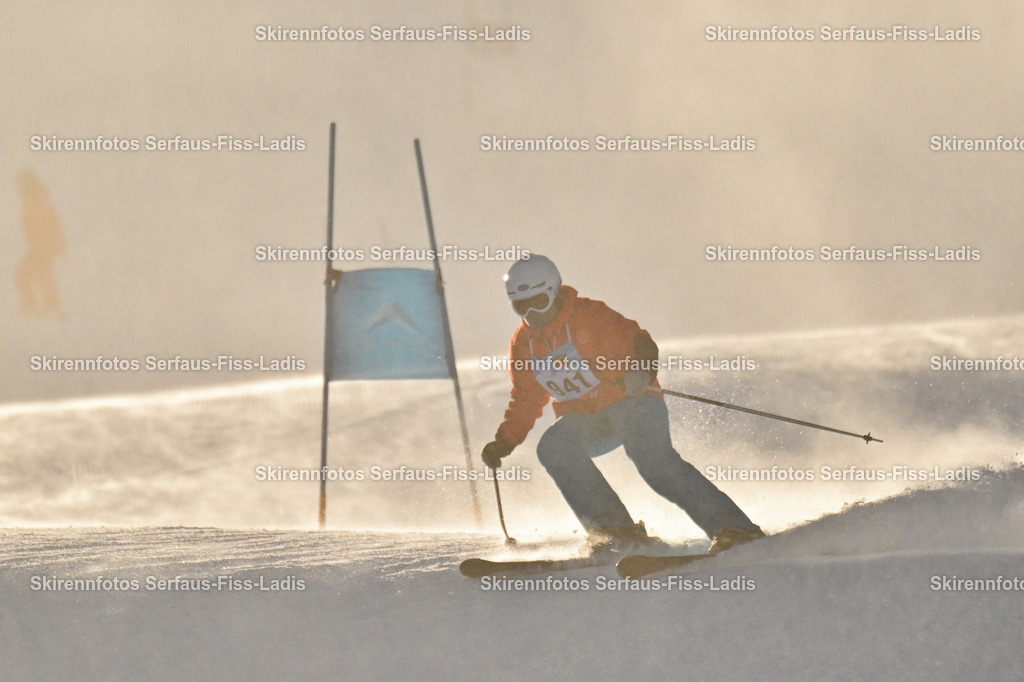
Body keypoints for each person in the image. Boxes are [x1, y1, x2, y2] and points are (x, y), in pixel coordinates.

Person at [481, 255, 764, 553]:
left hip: (633, 403)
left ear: (553, 292)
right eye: (521, 306)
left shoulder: (588, 315)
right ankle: (615, 531)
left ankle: (735, 528)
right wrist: (505, 441)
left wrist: (642, 369)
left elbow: (639, 341)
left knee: (653, 462)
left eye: (538, 301)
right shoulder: (523, 344)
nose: (532, 313)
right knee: (554, 446)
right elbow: (526, 396)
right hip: (588, 419)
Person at [16, 170, 65, 317]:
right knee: (34, 274)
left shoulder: (35, 199)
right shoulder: (33, 199)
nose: (18, 187)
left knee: (34, 274)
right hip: (40, 246)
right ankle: (45, 306)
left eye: (20, 184)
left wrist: (47, 246)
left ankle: (49, 307)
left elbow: (46, 223)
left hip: (43, 246)